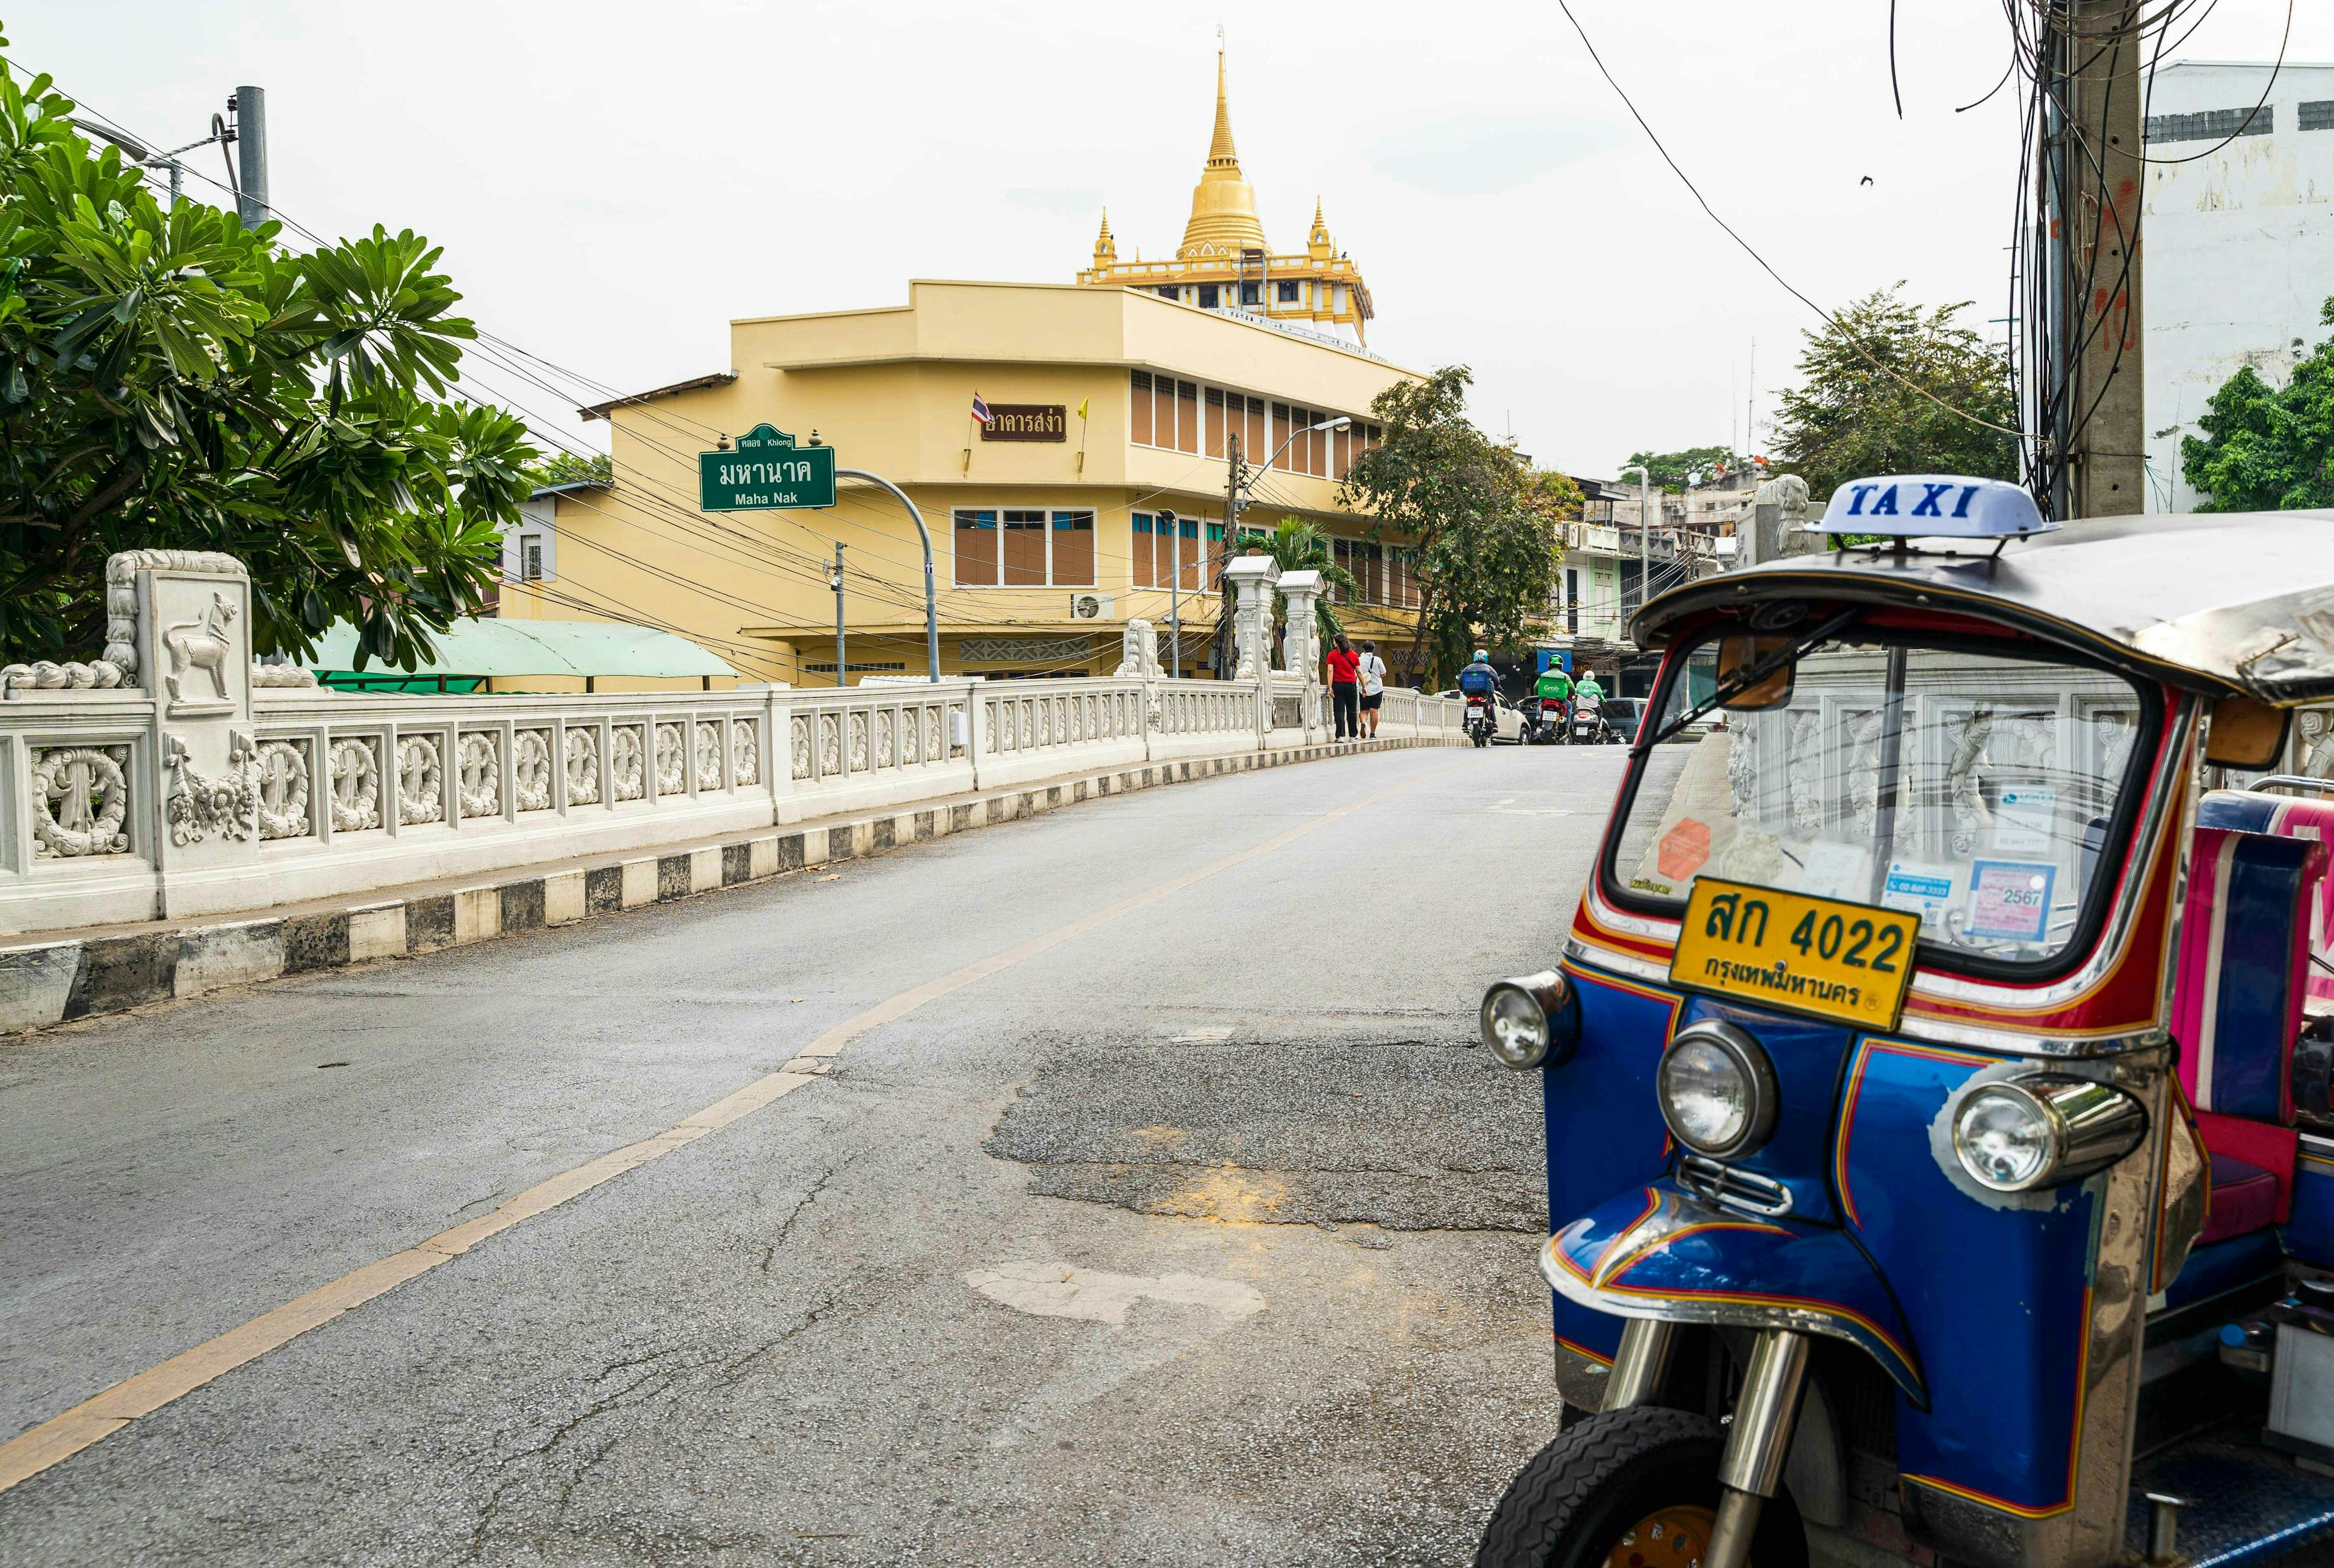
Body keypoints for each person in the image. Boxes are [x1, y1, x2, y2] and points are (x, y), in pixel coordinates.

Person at [1326, 633, 1362, 741]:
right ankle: (1353, 735)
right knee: (1352, 711)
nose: (1333, 643)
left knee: (1339, 711)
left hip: (1338, 685)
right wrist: (1364, 686)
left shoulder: (1332, 655)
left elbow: (1330, 671)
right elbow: (1359, 672)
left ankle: (1340, 736)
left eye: (1334, 641)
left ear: (1338, 643)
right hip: (1351, 685)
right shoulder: (1354, 655)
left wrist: (1330, 686)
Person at [1357, 639, 1388, 738]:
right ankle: (1373, 734)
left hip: (1363, 689)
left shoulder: (1359, 659)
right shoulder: (1378, 660)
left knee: (1364, 711)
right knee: (1374, 711)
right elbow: (1383, 674)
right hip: (1377, 689)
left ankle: (1363, 723)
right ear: (1373, 649)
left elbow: (1356, 673)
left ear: (1364, 649)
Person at [1534, 660, 1574, 734]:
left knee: (1539, 703)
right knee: (1569, 705)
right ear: (1561, 666)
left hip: (1545, 700)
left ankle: (1538, 720)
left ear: (1549, 665)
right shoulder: (1565, 676)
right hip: (1561, 701)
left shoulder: (1543, 675)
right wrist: (1571, 693)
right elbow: (1572, 688)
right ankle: (1567, 727)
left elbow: (1536, 687)